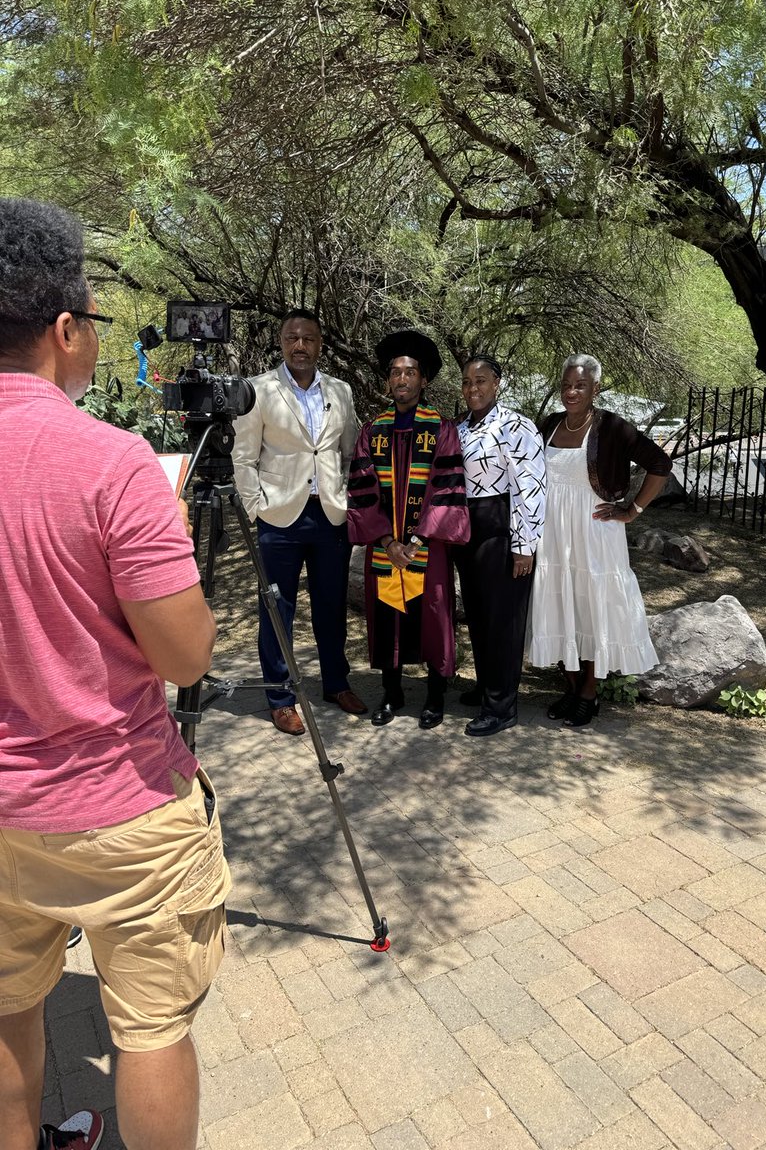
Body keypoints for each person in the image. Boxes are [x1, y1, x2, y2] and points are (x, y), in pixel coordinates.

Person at [0, 198, 229, 1150]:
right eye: (92, 325)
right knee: (151, 1028)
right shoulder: (115, 462)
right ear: (63, 330)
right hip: (122, 806)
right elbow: (186, 657)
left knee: (9, 1014)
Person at [233, 308, 367, 733]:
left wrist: (344, 495)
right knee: (277, 608)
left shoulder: (341, 391)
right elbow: (243, 456)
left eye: (308, 338)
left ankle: (335, 682)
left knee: (331, 605)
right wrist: (256, 506)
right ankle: (280, 696)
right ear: (281, 341)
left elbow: (349, 452)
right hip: (279, 518)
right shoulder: (258, 390)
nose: (300, 346)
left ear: (320, 344)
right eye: (292, 337)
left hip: (329, 515)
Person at [527, 353, 672, 727]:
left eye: (580, 385)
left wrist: (632, 510)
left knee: (591, 607)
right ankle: (571, 686)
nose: (571, 392)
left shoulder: (611, 428)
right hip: (553, 532)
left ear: (596, 388)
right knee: (559, 603)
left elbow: (660, 464)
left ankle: (589, 693)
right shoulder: (550, 425)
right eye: (566, 385)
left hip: (595, 531)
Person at [347, 330, 470, 729]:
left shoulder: (441, 428)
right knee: (386, 616)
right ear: (389, 380)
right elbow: (362, 489)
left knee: (433, 615)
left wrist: (414, 541)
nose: (402, 379)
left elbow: (447, 488)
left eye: (410, 372)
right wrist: (386, 540)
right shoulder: (373, 430)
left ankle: (435, 695)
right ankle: (392, 693)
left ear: (424, 379)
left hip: (426, 547)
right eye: (396, 373)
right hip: (385, 547)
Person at [455, 355, 546, 737]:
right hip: (468, 531)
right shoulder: (460, 429)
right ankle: (486, 684)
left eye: (481, 381)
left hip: (503, 529)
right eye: (466, 382)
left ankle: (502, 706)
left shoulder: (516, 426)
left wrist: (524, 545)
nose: (473, 388)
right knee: (478, 614)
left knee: (503, 621)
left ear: (497, 383)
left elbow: (531, 487)